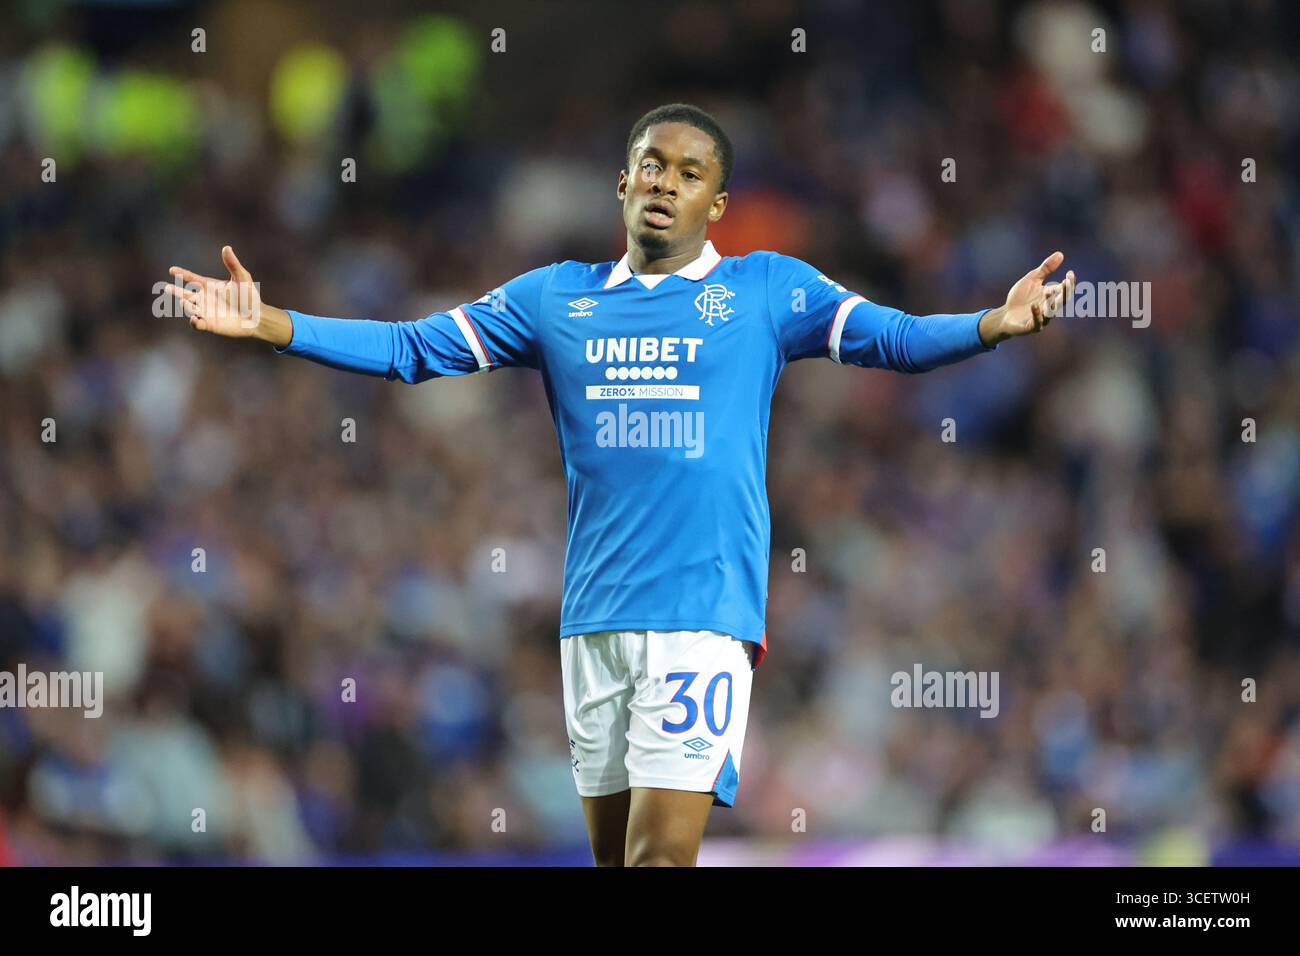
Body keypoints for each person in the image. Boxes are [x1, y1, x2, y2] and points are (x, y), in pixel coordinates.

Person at [163, 102, 1074, 867]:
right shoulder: (557, 299)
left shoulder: (764, 290)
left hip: (703, 617)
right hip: (592, 621)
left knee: (657, 861)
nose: (665, 182)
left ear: (717, 202)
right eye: (651, 165)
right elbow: (410, 350)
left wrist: (993, 321)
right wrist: (275, 323)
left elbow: (897, 339)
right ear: (622, 184)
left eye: (688, 172)